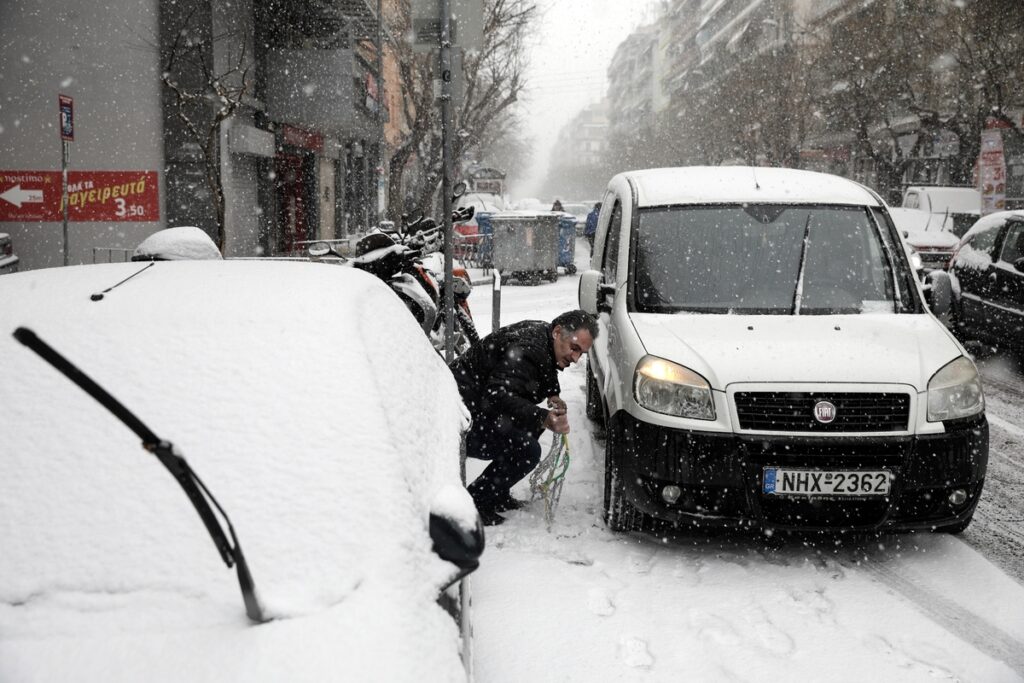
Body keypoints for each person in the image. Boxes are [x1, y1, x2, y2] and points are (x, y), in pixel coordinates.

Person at [450, 309, 598, 525]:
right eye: (574, 349)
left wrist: (553, 393)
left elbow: (546, 366)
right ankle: (476, 502)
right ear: (558, 332)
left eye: (581, 353)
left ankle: (496, 493)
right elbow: (496, 395)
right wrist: (544, 417)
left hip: (471, 406)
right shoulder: (529, 348)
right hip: (458, 418)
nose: (575, 359)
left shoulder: (544, 334)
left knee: (530, 429)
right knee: (527, 450)